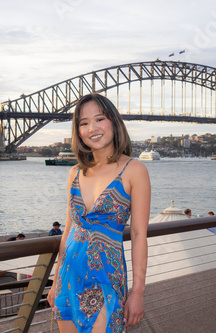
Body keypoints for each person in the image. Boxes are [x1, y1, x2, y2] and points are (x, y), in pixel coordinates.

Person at [47, 93, 151, 331]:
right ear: (78, 131)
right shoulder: (75, 172)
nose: (92, 128)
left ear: (114, 122)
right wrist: (54, 281)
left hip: (106, 278)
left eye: (99, 119)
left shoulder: (134, 170)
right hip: (68, 278)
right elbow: (69, 231)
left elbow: (138, 235)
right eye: (83, 123)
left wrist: (138, 291)